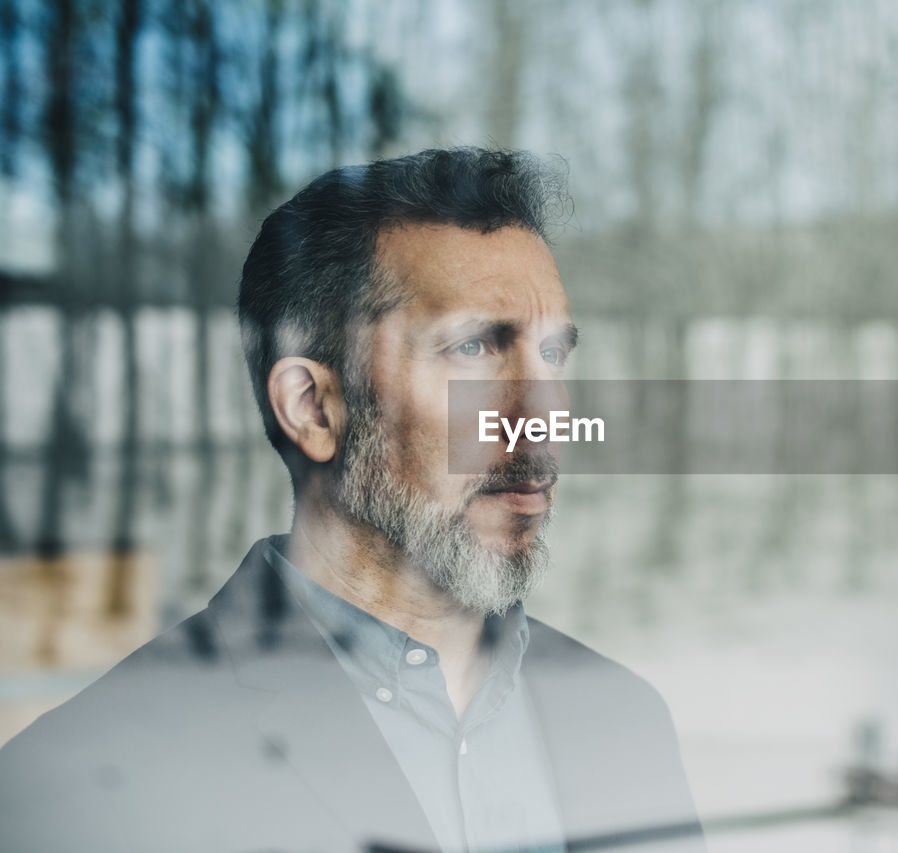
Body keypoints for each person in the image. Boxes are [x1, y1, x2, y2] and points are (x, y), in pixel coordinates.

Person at [0, 148, 703, 853]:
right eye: (475, 349)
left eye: (552, 355)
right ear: (312, 407)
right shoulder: (76, 788)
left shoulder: (626, 720)